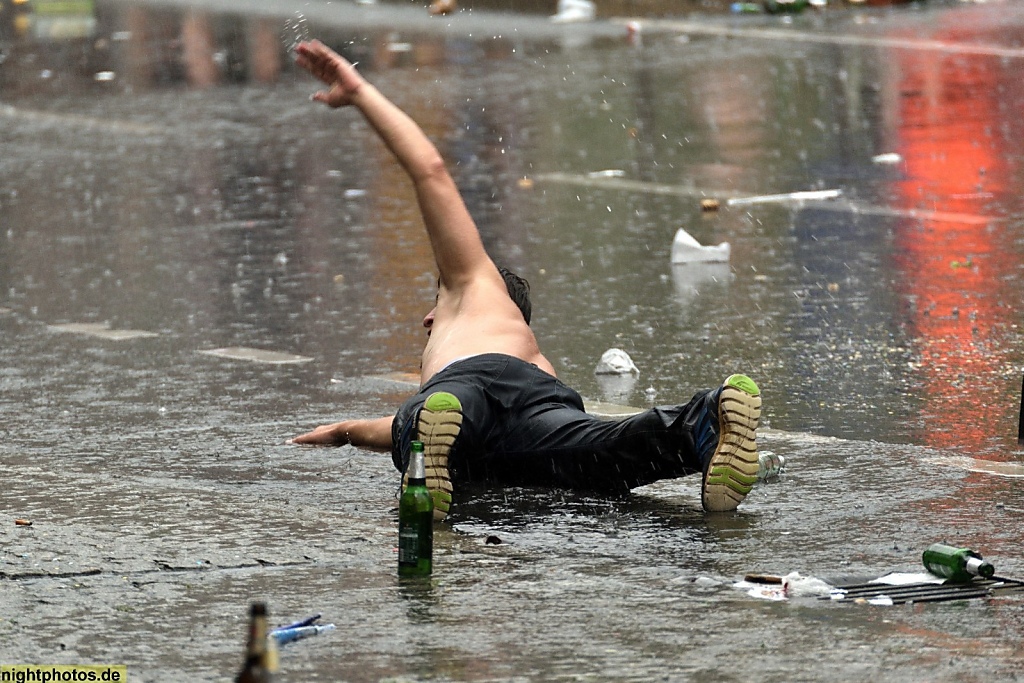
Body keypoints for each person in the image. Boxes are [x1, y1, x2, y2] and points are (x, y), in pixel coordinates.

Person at [290, 39, 762, 520]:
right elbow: (390, 426)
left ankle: (425, 457)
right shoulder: (523, 356)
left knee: (431, 418)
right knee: (604, 455)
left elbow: (430, 171)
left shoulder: (470, 286)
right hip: (534, 413)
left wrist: (362, 93)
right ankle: (701, 423)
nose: (426, 317)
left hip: (465, 392)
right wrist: (343, 431)